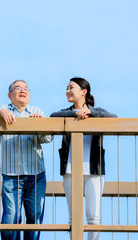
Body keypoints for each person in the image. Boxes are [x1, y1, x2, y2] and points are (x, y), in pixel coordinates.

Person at [50, 77, 117, 240]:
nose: (67, 91)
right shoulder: (66, 113)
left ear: (84, 91)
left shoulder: (97, 113)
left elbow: (114, 118)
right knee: (74, 217)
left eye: (71, 87)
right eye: (66, 88)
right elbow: (53, 116)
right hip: (70, 171)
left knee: (93, 217)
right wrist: (75, 114)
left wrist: (91, 112)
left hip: (94, 171)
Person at [0, 80, 52, 240]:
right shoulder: (3, 110)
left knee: (34, 216)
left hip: (36, 174)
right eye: (18, 88)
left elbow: (47, 139)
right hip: (11, 174)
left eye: (26, 88)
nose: (23, 91)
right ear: (10, 95)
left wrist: (39, 126)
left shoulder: (37, 111)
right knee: (11, 217)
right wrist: (0, 113)